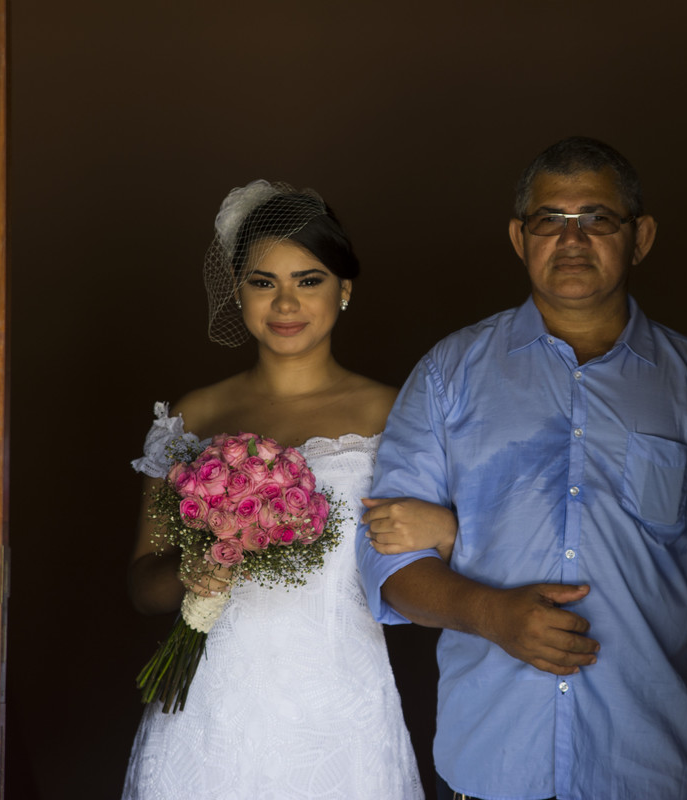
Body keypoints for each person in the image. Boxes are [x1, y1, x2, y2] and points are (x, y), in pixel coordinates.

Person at [358, 137, 687, 800]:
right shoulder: (449, 375)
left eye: (597, 218)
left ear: (640, 236)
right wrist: (490, 613)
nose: (572, 239)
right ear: (518, 236)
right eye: (549, 221)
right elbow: (385, 565)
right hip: (494, 764)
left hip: (657, 767)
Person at [123, 180, 455, 799]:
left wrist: (447, 530)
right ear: (236, 287)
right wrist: (197, 563)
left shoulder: (397, 413)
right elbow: (144, 585)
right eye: (262, 281)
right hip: (208, 714)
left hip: (342, 714)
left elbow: (439, 555)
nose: (285, 303)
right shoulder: (195, 415)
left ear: (344, 289)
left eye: (308, 279)